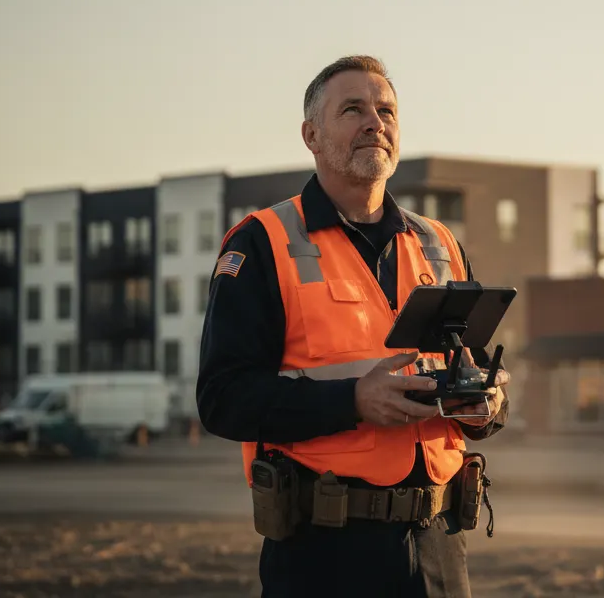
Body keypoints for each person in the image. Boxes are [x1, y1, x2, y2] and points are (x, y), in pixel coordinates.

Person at [196, 55, 510, 598]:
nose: (375, 122)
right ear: (311, 135)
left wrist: (486, 405)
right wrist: (355, 401)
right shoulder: (261, 242)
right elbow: (223, 399)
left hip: (440, 547)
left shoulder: (439, 244)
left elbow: (470, 370)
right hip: (325, 551)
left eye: (386, 110)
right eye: (353, 109)